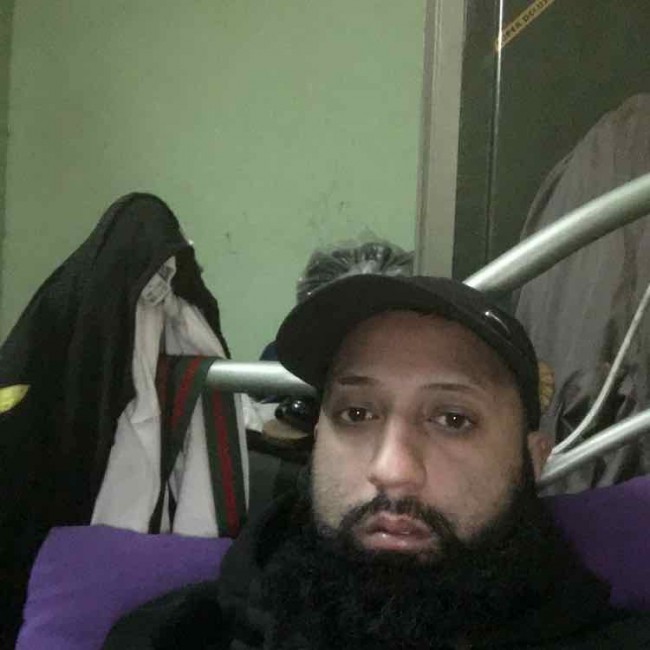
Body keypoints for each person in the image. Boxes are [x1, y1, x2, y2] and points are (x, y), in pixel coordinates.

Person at [104, 275, 650, 649]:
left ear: (533, 459)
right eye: (357, 413)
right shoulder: (172, 635)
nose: (392, 470)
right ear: (317, 437)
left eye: (453, 419)